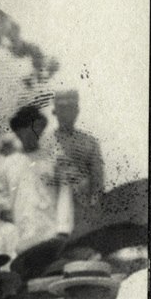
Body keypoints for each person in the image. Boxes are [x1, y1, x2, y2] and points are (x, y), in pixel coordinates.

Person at [0, 104, 71, 251]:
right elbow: (1, 199)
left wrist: (63, 230)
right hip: (22, 236)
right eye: (27, 129)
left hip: (51, 233)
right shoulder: (8, 164)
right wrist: (7, 216)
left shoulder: (53, 160)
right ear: (18, 132)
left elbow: (65, 194)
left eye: (38, 128)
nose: (34, 133)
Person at [47, 89, 105, 233]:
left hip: (80, 208)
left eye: (70, 109)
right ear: (55, 111)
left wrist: (93, 209)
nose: (66, 114)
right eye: (62, 109)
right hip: (50, 208)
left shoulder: (89, 143)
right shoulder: (45, 143)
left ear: (76, 111)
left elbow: (97, 182)